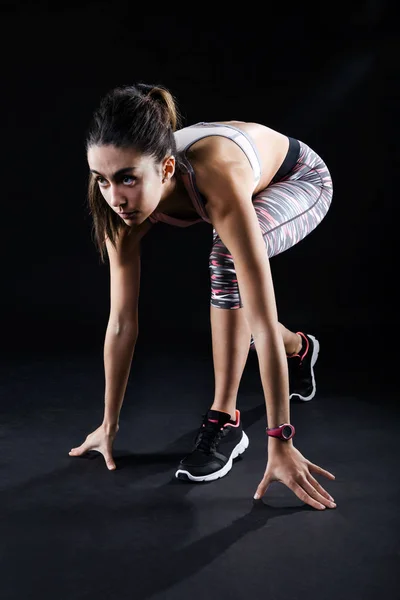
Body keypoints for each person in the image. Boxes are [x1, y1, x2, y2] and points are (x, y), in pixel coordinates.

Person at [69, 83, 336, 511]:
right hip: (241, 184)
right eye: (101, 180)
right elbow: (121, 322)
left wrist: (281, 441)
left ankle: (225, 420)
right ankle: (300, 349)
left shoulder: (216, 177)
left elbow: (262, 321)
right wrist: (108, 424)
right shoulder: (115, 208)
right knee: (231, 280)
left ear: (167, 169)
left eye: (127, 179)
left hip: (301, 180)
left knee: (226, 259)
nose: (114, 198)